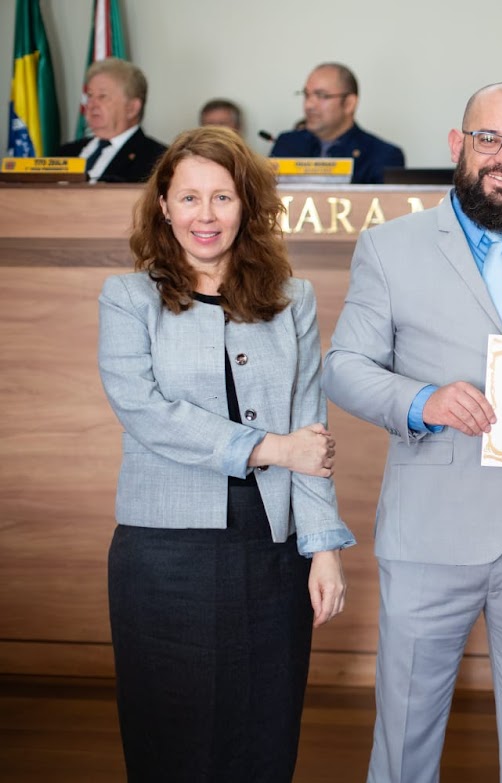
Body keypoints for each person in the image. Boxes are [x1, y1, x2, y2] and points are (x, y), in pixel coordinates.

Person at [322, 82, 502, 783]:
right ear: (458, 145)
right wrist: (424, 400)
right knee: (406, 732)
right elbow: (343, 367)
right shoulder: (390, 247)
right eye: (489, 139)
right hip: (429, 534)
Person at [97, 126, 354, 782]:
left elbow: (311, 430)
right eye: (188, 198)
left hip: (271, 550)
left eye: (222, 198)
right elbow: (148, 413)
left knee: (263, 730)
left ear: (247, 204)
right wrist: (270, 447)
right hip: (163, 553)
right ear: (163, 205)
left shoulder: (292, 299)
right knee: (170, 736)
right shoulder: (127, 298)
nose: (205, 216)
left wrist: (322, 547)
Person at [268, 62, 405, 184]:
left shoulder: (383, 155)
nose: (309, 105)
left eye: (321, 96)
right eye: (306, 95)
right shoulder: (287, 144)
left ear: (349, 103)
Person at [56, 57, 167, 183]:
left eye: (102, 96)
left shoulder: (158, 160)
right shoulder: (66, 152)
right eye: (90, 96)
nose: (91, 104)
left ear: (132, 108)